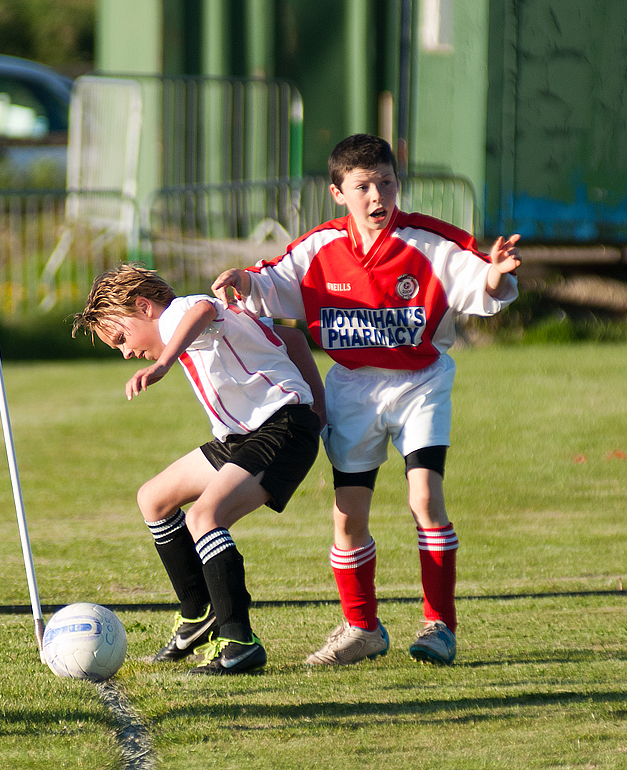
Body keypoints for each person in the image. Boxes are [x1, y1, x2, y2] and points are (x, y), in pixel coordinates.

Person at [212, 133, 520, 666]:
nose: (377, 196)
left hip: (420, 381)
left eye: (386, 183)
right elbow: (266, 281)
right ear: (338, 193)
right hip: (352, 385)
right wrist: (241, 278)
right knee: (348, 516)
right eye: (363, 186)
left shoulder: (429, 241)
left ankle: (439, 627)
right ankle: (362, 628)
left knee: (424, 498)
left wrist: (494, 275)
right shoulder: (317, 249)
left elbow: (482, 282)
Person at [72, 264, 324, 675]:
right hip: (244, 437)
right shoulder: (196, 323)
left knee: (206, 517)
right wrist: (321, 410)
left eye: (121, 338)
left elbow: (204, 308)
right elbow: (292, 338)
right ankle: (198, 614)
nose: (125, 352)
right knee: (153, 498)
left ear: (144, 307)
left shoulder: (179, 313)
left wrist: (163, 364)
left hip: (280, 428)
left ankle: (239, 641)